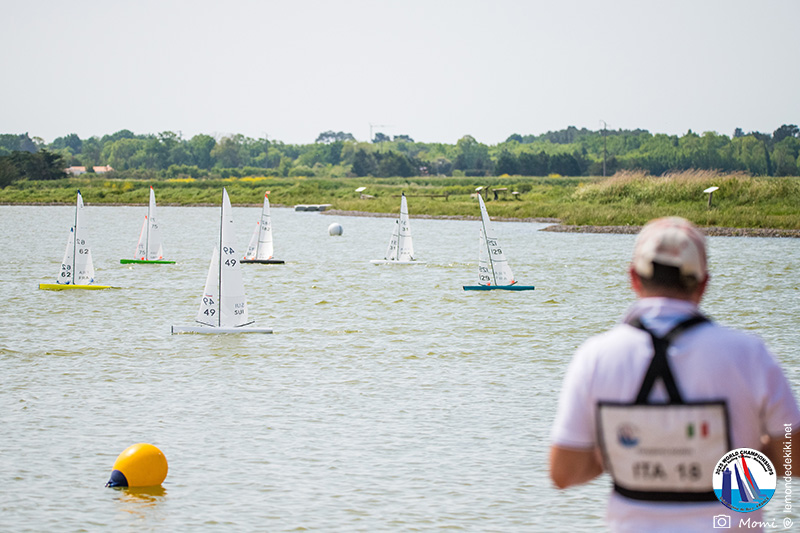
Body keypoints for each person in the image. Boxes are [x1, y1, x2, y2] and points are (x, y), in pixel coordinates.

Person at [549, 216, 800, 532]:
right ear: (704, 284)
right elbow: (794, 458)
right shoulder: (749, 354)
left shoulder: (595, 356)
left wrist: (625, 452)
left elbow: (563, 473)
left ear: (633, 278)